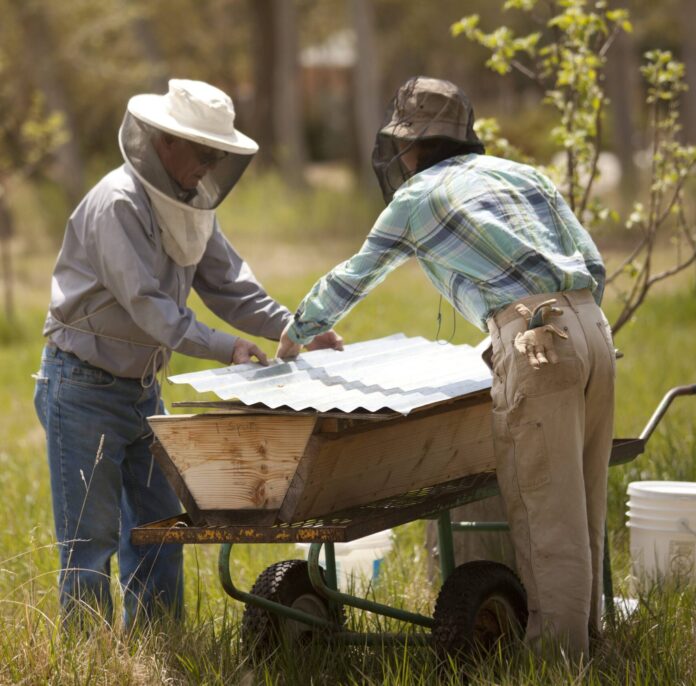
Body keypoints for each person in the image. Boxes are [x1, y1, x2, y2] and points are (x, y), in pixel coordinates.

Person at [277, 76, 615, 658]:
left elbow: (353, 279)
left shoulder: (415, 198)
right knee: (583, 504)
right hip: (592, 329)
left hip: (536, 338)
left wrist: (293, 337)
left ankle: (557, 665)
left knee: (545, 513)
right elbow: (592, 263)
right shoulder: (523, 173)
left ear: (409, 146)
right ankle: (592, 645)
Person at [33, 79, 341, 628]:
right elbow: (148, 306)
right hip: (82, 387)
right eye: (203, 154)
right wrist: (226, 347)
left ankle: (158, 650)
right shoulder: (116, 203)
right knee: (90, 542)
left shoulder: (192, 205)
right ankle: (91, 664)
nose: (208, 168)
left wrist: (299, 327)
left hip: (142, 389)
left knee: (159, 532)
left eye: (217, 157)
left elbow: (231, 287)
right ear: (165, 142)